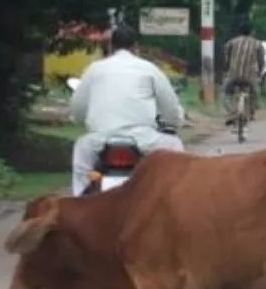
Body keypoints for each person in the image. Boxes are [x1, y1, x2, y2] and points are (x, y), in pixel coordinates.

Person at [68, 25, 185, 196]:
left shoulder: (94, 69)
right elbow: (171, 108)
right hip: (144, 139)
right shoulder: (149, 69)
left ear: (110, 46)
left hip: (100, 139)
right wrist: (175, 123)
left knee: (81, 150)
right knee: (175, 145)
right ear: (135, 47)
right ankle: (177, 200)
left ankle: (80, 204)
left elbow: (77, 109)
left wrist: (80, 120)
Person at [221, 21, 264, 125]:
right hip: (250, 76)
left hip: (233, 75)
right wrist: (260, 73)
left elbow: (226, 60)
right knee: (255, 93)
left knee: (225, 93)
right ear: (252, 32)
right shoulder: (257, 44)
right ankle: (252, 112)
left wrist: (226, 71)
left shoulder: (231, 42)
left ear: (239, 32)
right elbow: (261, 61)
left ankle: (231, 114)